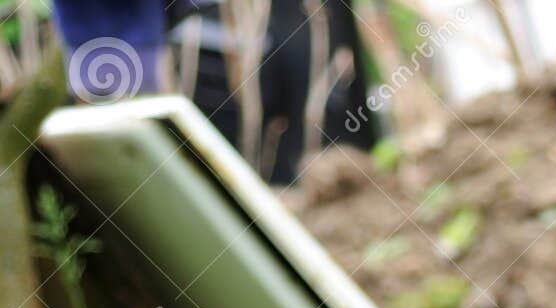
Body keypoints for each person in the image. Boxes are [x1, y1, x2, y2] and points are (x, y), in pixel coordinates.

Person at [52, 0, 379, 183]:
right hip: (103, 39)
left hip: (130, 37)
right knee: (110, 116)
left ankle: (127, 183)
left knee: (130, 119)